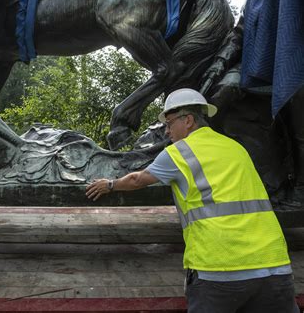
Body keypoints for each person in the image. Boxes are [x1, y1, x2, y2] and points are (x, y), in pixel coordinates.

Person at [86, 88, 298, 313]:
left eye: (169, 123)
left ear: (187, 120)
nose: (167, 131)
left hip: (220, 267)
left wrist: (109, 184)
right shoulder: (236, 148)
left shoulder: (180, 152)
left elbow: (138, 179)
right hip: (274, 266)